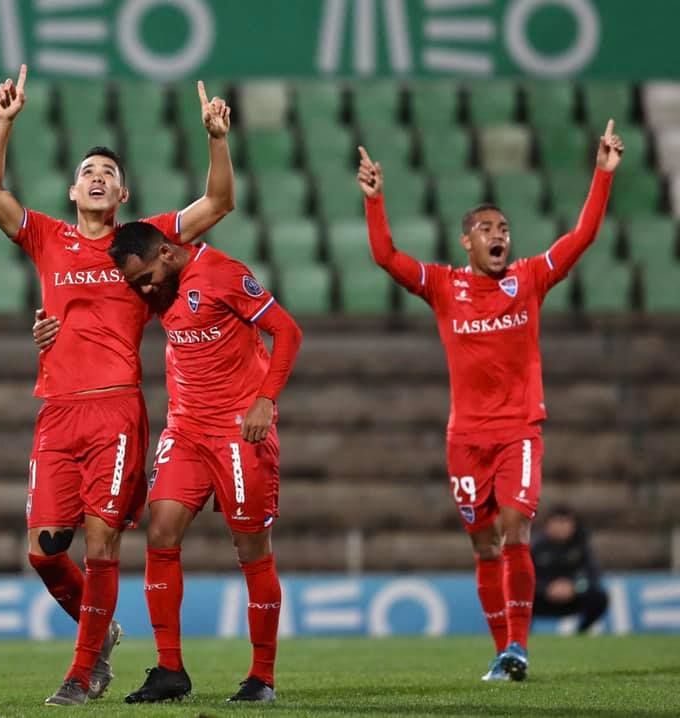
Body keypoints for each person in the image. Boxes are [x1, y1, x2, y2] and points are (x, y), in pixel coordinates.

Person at [0, 64, 235, 706]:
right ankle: (102, 633)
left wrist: (216, 139)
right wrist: (3, 123)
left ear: (122, 193)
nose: (97, 177)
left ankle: (83, 670)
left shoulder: (140, 244)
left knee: (101, 542)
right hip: (57, 409)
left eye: (108, 173)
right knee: (42, 551)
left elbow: (218, 204)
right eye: (88, 171)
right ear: (72, 190)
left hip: (116, 411)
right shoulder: (47, 237)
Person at [357, 120, 624, 681]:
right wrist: (375, 201)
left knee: (515, 531)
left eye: (504, 227)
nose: (499, 234)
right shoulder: (443, 286)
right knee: (483, 547)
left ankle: (519, 647)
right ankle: (503, 652)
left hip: (519, 431)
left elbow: (581, 237)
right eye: (486, 228)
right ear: (468, 242)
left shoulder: (529, 279)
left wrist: (602, 174)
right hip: (465, 439)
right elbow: (386, 257)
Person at [98, 222, 302, 703]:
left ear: (167, 253)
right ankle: (170, 669)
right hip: (186, 429)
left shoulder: (224, 274)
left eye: (146, 278)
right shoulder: (158, 287)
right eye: (136, 283)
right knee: (160, 533)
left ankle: (262, 677)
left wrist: (266, 399)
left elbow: (288, 332)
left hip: (239, 428)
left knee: (251, 548)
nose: (144, 290)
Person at [531, 505, 609, 633]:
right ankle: (521, 636)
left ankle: (582, 633)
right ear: (548, 525)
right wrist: (546, 588)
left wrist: (574, 587)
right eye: (558, 522)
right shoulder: (536, 546)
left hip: (573, 597)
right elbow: (525, 578)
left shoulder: (581, 546)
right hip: (543, 597)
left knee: (599, 597)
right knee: (518, 599)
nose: (561, 527)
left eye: (565, 522)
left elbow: (592, 576)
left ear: (573, 525)